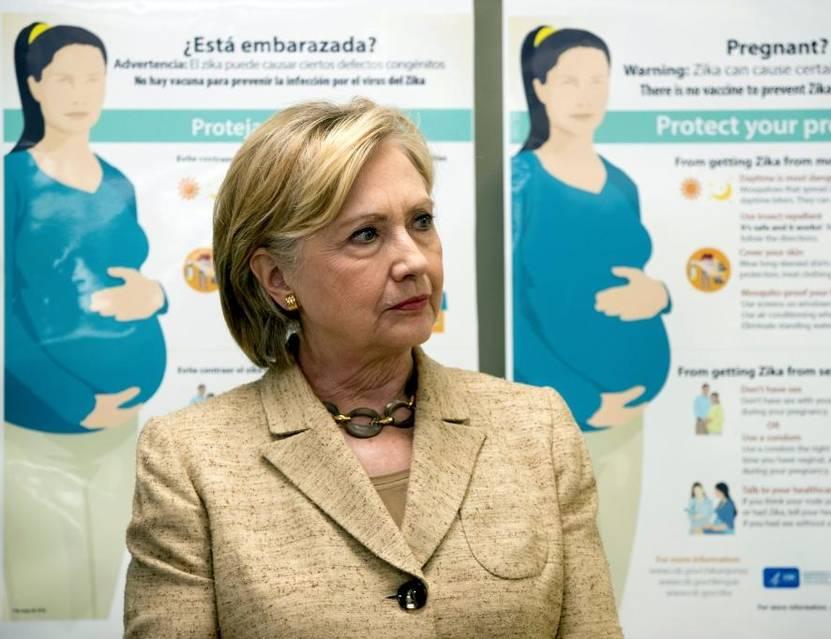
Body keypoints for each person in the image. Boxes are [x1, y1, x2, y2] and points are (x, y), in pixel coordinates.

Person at [123, 99, 622, 638]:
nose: (414, 260)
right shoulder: (192, 460)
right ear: (277, 279)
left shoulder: (535, 428)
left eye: (421, 222)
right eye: (367, 234)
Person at [4, 22, 167, 621]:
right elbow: (5, 315)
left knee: (105, 600)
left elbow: (131, 273)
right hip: (38, 433)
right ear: (34, 85)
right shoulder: (10, 182)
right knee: (44, 605)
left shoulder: (119, 183)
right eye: (65, 78)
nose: (81, 92)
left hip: (120, 431)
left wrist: (157, 295)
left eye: (93, 78)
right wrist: (76, 402)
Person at [512, 25, 671, 601]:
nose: (586, 94)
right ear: (541, 88)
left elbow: (632, 273)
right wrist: (582, 400)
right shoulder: (521, 183)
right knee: (554, 584)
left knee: (614, 573)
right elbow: (514, 313)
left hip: (628, 415)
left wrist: (661, 296)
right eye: (570, 80)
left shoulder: (622, 184)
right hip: (557, 415)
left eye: (598, 80)